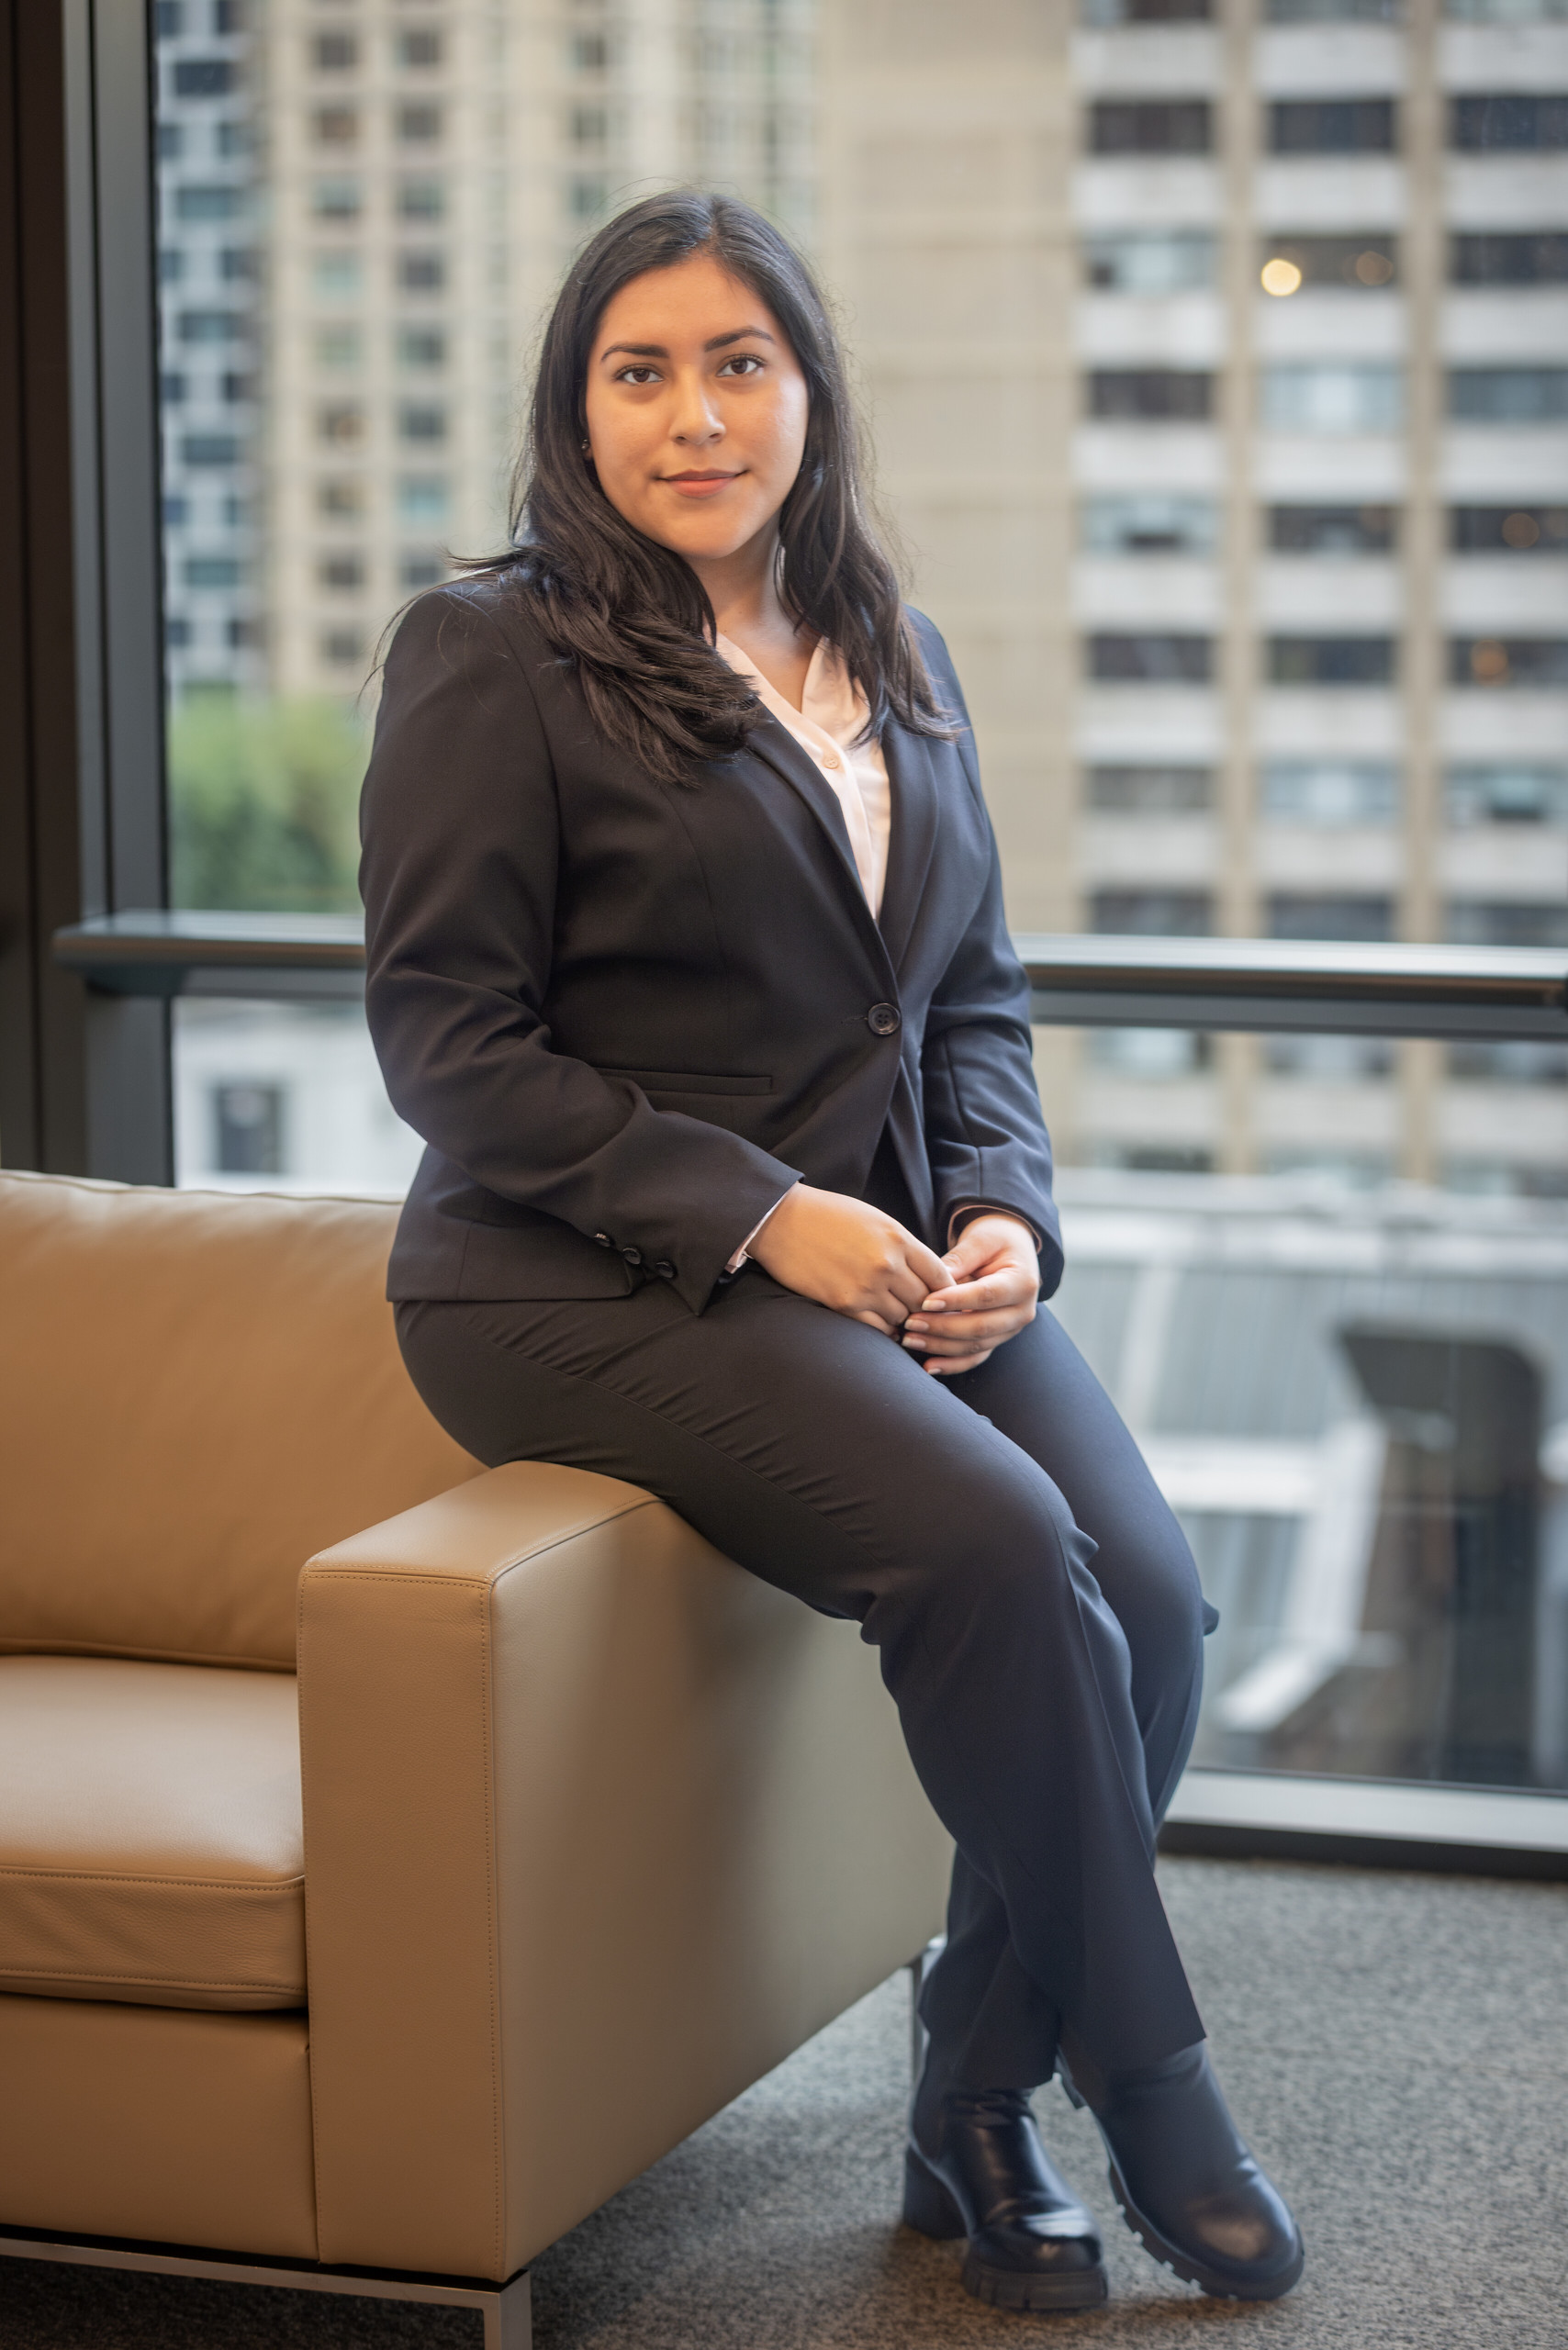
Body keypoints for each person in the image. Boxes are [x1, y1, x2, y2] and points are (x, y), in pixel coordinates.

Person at [359, 189, 1303, 2316]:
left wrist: (997, 1213)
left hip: (887, 1256)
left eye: (736, 362)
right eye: (639, 370)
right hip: (569, 1275)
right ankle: (1150, 2089)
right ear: (574, 407)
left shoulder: (889, 640)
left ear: (806, 390)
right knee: (990, 1546)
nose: (693, 414)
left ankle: (964, 2099)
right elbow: (448, 1047)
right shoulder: (492, 651)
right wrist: (759, 1213)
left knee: (1147, 1597)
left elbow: (965, 995)